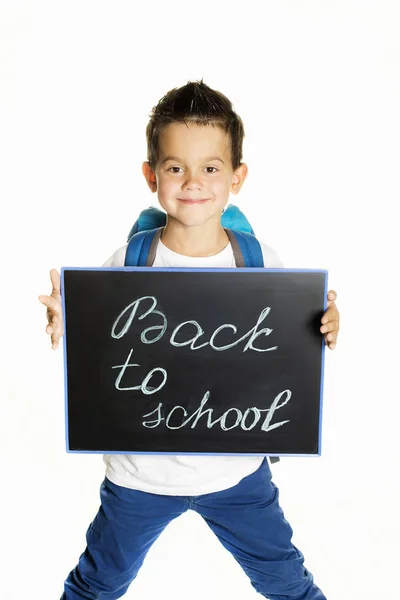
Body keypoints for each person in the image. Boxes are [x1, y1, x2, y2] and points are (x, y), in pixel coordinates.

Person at [39, 79, 340, 600]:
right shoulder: (128, 262)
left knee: (287, 581)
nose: (192, 182)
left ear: (236, 178)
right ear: (151, 175)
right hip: (140, 477)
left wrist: (324, 323)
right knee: (98, 582)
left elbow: (290, 346)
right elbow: (103, 355)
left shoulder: (261, 262)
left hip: (237, 475)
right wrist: (71, 322)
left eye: (210, 168)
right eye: (176, 167)